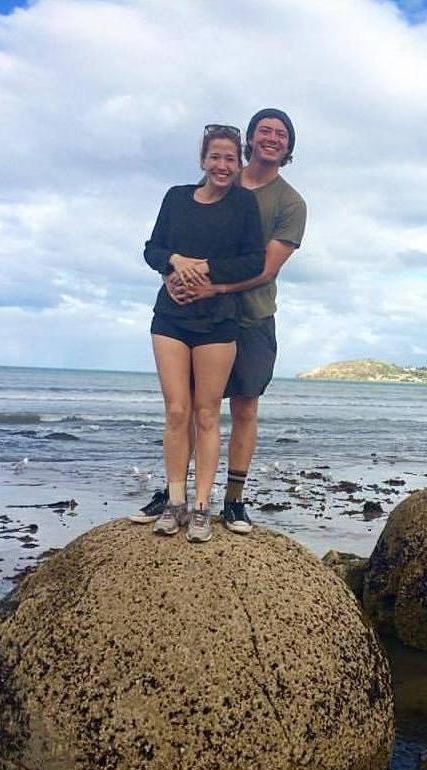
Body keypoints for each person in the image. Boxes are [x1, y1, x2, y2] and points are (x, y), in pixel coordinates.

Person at [131, 109, 306, 535]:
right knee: (183, 407)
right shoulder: (217, 179)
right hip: (190, 311)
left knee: (242, 406)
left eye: (280, 134)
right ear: (245, 142)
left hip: (251, 314)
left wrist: (212, 286)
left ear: (288, 148)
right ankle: (175, 495)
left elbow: (263, 268)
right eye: (263, 131)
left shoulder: (289, 203)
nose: (271, 138)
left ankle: (232, 501)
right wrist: (174, 273)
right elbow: (175, 240)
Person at [144, 124, 264, 542]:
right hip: (170, 318)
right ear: (203, 160)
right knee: (177, 411)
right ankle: (174, 502)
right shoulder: (176, 197)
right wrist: (176, 261)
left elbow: (253, 262)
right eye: (216, 157)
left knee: (207, 413)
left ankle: (201, 506)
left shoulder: (244, 204)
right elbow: (152, 250)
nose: (223, 165)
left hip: (218, 321)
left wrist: (205, 269)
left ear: (239, 163)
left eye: (231, 158)